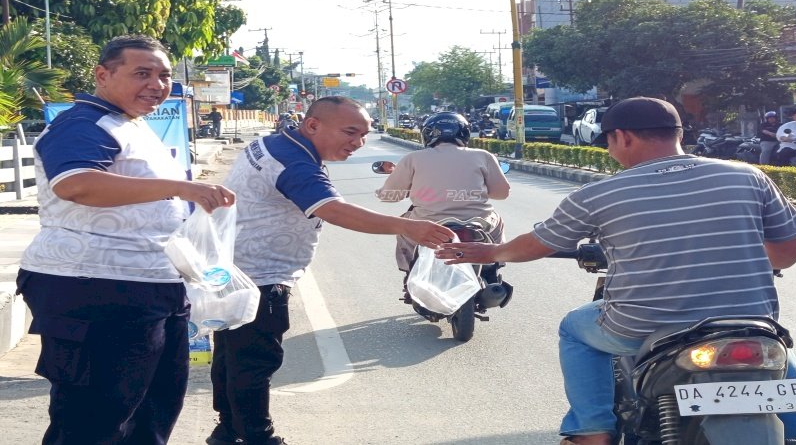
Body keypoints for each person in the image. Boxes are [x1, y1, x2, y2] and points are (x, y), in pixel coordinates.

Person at [436, 97, 796, 445]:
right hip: (748, 324)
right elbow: (787, 254)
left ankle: (592, 429)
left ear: (622, 137)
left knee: (575, 328)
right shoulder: (748, 176)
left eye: (609, 142)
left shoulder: (599, 194)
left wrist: (490, 252)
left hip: (642, 328)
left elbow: (536, 245)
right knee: (794, 383)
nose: (611, 151)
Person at [15, 34, 236, 444]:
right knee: (94, 420)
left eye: (164, 75)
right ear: (103, 75)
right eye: (142, 73)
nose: (156, 84)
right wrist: (183, 189)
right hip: (94, 288)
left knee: (152, 412)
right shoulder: (84, 123)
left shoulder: (131, 125)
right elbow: (76, 184)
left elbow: (149, 201)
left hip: (152, 286)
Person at [208, 96, 455, 445]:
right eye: (350, 133)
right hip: (258, 276)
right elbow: (333, 209)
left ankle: (227, 430)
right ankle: (257, 437)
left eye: (364, 135)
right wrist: (408, 227)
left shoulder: (274, 142)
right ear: (312, 125)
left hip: (236, 268)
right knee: (254, 361)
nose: (358, 143)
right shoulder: (293, 161)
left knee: (233, 356)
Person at [375, 112, 510, 299]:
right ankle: (492, 269)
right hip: (480, 223)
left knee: (404, 226)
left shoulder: (413, 158)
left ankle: (410, 275)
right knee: (498, 220)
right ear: (464, 134)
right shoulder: (483, 156)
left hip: (429, 223)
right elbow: (501, 194)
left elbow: (389, 196)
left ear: (428, 134)